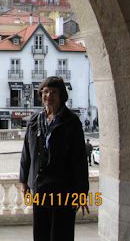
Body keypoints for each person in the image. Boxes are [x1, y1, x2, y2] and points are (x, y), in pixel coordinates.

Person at [20, 76, 89, 241]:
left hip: (64, 189)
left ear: (61, 96)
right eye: (45, 92)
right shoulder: (35, 120)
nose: (48, 96)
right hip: (39, 186)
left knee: (61, 233)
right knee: (41, 233)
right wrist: (24, 181)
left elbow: (79, 159)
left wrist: (82, 192)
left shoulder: (71, 122)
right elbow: (26, 152)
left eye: (53, 92)